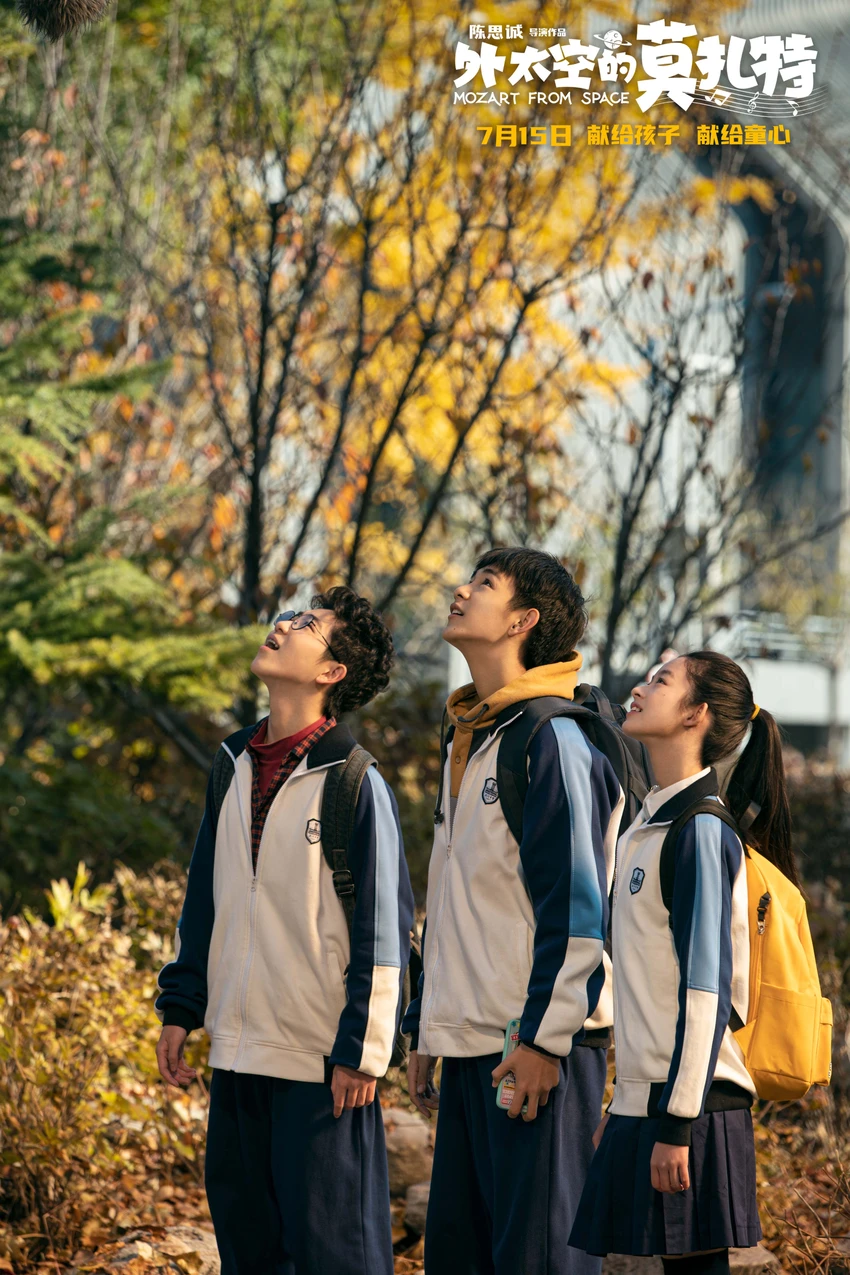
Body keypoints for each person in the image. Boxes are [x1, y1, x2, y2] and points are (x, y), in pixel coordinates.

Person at [154, 586, 414, 1275]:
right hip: (236, 1057)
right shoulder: (231, 764)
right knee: (249, 1256)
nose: (283, 624)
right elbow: (205, 900)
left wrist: (363, 1050)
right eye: (290, 616)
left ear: (332, 672)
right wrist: (181, 1007)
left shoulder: (354, 782)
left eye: (306, 624)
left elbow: (384, 928)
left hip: (322, 1067)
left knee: (338, 1257)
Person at [405, 547, 625, 1275]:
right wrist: (428, 1022)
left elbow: (578, 908)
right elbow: (458, 896)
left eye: (484, 583)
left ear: (523, 621)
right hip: (473, 1043)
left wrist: (542, 1040)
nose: (460, 589)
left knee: (541, 1261)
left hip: (532, 1049)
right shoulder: (471, 732)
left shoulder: (551, 736)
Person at [570, 651, 791, 1274]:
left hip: (694, 1104)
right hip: (652, 1099)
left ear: (696, 715)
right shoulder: (647, 826)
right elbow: (649, 989)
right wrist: (624, 1104)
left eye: (660, 681)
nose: (639, 689)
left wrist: (675, 1124)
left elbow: (705, 993)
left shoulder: (700, 831)